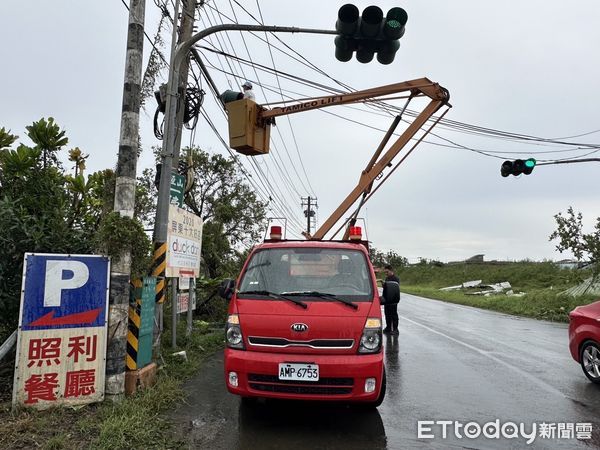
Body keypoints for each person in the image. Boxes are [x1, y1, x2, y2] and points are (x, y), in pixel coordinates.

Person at [381, 264, 400, 334]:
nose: (386, 273)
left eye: (387, 272)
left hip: (393, 299)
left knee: (393, 314)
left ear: (391, 271)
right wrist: (384, 285)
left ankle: (395, 329)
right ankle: (388, 327)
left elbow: (395, 289)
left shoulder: (395, 279)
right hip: (387, 299)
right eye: (385, 272)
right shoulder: (387, 278)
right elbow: (386, 288)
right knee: (387, 314)